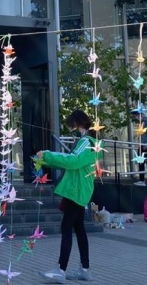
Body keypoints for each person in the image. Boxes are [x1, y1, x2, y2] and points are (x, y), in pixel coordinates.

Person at [36, 109, 98, 283]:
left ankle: (60, 270)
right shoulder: (89, 142)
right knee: (78, 228)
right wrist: (46, 160)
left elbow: (72, 161)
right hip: (78, 189)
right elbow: (72, 161)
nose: (71, 129)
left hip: (76, 190)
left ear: (78, 124)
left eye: (72, 125)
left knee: (67, 228)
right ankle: (84, 269)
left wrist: (47, 154)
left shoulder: (86, 142)